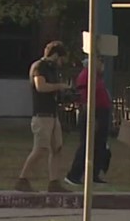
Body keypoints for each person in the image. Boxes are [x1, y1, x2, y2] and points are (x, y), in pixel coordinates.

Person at [16, 41, 70, 193]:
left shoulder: (53, 70)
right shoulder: (39, 67)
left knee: (57, 148)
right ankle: (22, 179)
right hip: (42, 115)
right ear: (55, 55)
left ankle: (54, 182)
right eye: (61, 59)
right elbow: (40, 86)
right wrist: (59, 86)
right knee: (40, 148)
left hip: (53, 114)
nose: (61, 63)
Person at [65, 56, 111, 186]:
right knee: (87, 145)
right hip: (93, 112)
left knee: (99, 145)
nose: (102, 64)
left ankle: (94, 174)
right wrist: (93, 116)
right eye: (99, 61)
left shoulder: (97, 77)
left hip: (101, 111)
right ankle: (74, 175)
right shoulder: (86, 76)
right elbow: (85, 96)